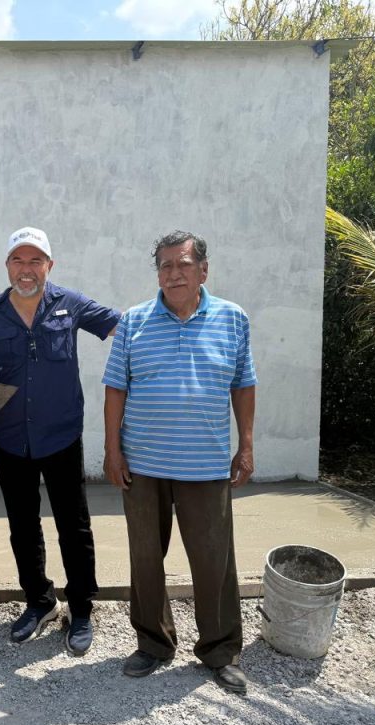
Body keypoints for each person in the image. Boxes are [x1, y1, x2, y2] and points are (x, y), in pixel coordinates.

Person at [102, 230, 257, 694]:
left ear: (202, 270)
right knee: (146, 558)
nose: (173, 273)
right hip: (143, 464)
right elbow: (116, 387)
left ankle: (219, 650)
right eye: (165, 266)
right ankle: (153, 643)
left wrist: (245, 445)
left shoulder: (232, 319)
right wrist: (112, 449)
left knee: (214, 562)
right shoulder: (134, 320)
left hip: (206, 465)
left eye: (182, 264)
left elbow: (243, 384)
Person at [0, 226, 120, 655]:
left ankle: (81, 608)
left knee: (75, 525)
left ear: (50, 265)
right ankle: (39, 602)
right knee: (23, 528)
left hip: (62, 436)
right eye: (18, 260)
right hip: (13, 439)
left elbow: (121, 329)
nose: (26, 269)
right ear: (7, 265)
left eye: (35, 261)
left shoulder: (71, 304)